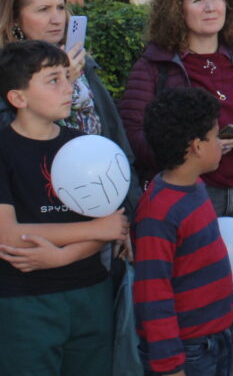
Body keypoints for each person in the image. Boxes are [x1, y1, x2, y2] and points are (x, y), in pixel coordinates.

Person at [119, 0, 233, 376]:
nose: (211, 7)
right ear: (177, 10)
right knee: (191, 314)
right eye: (197, 0)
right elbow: (134, 138)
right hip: (190, 200)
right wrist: (191, 151)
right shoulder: (154, 66)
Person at [0, 40, 129, 375]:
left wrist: (62, 256)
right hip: (25, 301)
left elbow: (113, 225)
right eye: (53, 80)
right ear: (18, 98)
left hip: (90, 292)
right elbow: (9, 235)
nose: (68, 87)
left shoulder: (86, 145)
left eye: (67, 77)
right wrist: (95, 229)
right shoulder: (4, 150)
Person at [0, 0, 142, 212]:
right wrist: (63, 78)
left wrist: (131, 201)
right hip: (44, 203)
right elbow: (12, 138)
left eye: (60, 7)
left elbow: (113, 133)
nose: (57, 19)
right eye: (43, 10)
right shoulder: (7, 70)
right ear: (15, 19)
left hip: (104, 191)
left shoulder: (81, 61)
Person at [133, 87, 233, 376]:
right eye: (215, 135)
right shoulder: (159, 212)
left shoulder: (195, 187)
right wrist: (169, 366)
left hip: (215, 336)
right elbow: (152, 293)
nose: (220, 142)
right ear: (197, 146)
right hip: (187, 351)